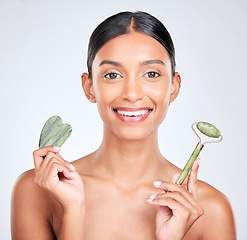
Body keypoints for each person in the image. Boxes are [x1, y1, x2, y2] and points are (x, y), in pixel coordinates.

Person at [11, 11, 236, 240]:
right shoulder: (38, 190)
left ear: (174, 87)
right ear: (89, 87)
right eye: (112, 75)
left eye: (151, 73)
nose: (132, 94)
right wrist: (73, 211)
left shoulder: (211, 211)